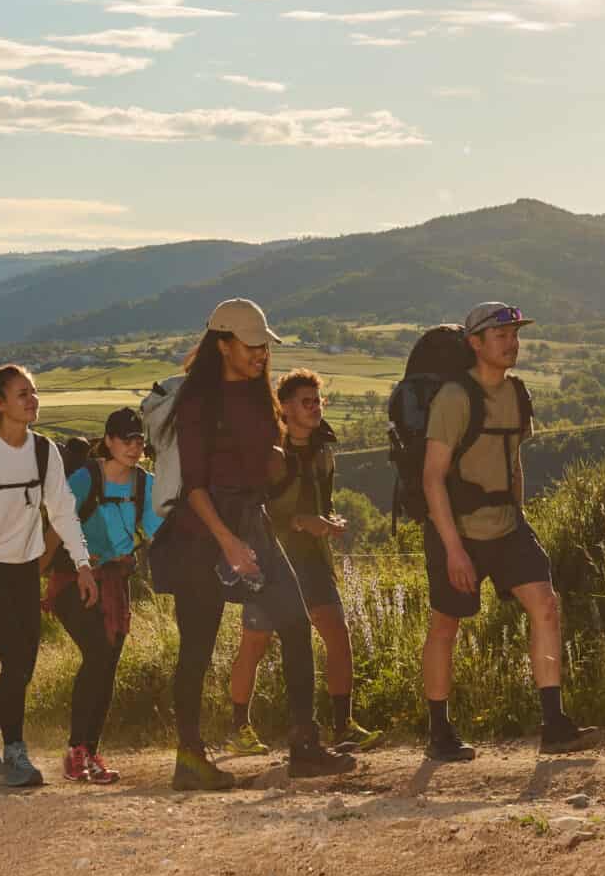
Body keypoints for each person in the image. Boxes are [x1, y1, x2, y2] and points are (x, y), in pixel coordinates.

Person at [148, 300, 359, 789]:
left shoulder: (257, 392)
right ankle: (190, 758)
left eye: (265, 344)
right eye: (252, 344)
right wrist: (229, 544)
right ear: (223, 345)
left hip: (251, 522)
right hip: (204, 532)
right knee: (197, 648)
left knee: (294, 622)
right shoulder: (200, 402)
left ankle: (304, 747)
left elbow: (261, 458)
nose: (262, 352)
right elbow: (194, 486)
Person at [419, 302, 600, 762]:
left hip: (507, 527)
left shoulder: (517, 394)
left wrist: (519, 518)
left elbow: (513, 461)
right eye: (500, 336)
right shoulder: (454, 399)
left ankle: (554, 724)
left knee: (546, 604)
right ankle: (438, 733)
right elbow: (431, 478)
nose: (511, 343)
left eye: (514, 335)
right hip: (455, 530)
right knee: (446, 626)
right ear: (475, 343)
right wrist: (454, 550)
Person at [0, 364, 94, 788]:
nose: (33, 400)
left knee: (23, 663)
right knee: (18, 662)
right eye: (22, 394)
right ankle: (15, 753)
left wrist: (82, 563)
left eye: (34, 392)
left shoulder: (45, 451)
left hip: (24, 570)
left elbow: (62, 509)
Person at [224, 370, 381, 756]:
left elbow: (321, 502)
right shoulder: (269, 454)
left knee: (337, 633)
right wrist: (301, 522)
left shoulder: (324, 451)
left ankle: (343, 726)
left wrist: (329, 521)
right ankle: (238, 729)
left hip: (312, 558)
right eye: (306, 402)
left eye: (318, 401)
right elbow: (254, 512)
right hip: (271, 560)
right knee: (255, 643)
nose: (315, 408)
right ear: (285, 408)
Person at [42, 407, 162, 784]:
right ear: (108, 441)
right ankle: (76, 751)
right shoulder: (85, 478)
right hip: (72, 579)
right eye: (125, 439)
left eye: (139, 439)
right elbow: (55, 529)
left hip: (113, 584)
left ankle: (89, 753)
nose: (133, 446)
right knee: (97, 653)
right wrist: (33, 585)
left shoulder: (146, 484)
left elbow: (160, 531)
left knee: (107, 665)